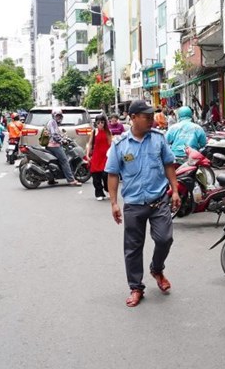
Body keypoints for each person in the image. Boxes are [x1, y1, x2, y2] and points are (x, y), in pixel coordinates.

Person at [105, 100, 181, 308]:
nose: (151, 120)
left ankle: (157, 269)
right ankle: (136, 287)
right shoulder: (120, 144)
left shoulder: (158, 139)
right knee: (133, 248)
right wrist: (113, 203)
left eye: (151, 116)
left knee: (165, 238)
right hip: (133, 204)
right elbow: (112, 174)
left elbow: (168, 164)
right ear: (133, 118)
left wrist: (174, 190)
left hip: (158, 201)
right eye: (146, 117)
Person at [46, 107, 82, 186]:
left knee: (55, 161)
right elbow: (54, 135)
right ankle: (71, 180)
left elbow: (57, 134)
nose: (59, 117)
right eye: (57, 116)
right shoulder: (52, 123)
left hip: (52, 144)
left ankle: (51, 179)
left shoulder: (53, 123)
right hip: (54, 145)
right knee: (65, 161)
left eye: (60, 116)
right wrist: (62, 141)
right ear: (53, 115)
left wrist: (63, 137)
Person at [87, 114, 112, 200]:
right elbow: (90, 144)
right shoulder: (94, 132)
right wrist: (87, 154)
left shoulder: (108, 132)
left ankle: (107, 189)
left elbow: (110, 144)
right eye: (98, 122)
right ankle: (99, 193)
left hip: (106, 156)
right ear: (96, 123)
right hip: (96, 156)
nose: (100, 124)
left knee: (106, 175)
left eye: (102, 122)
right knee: (95, 176)